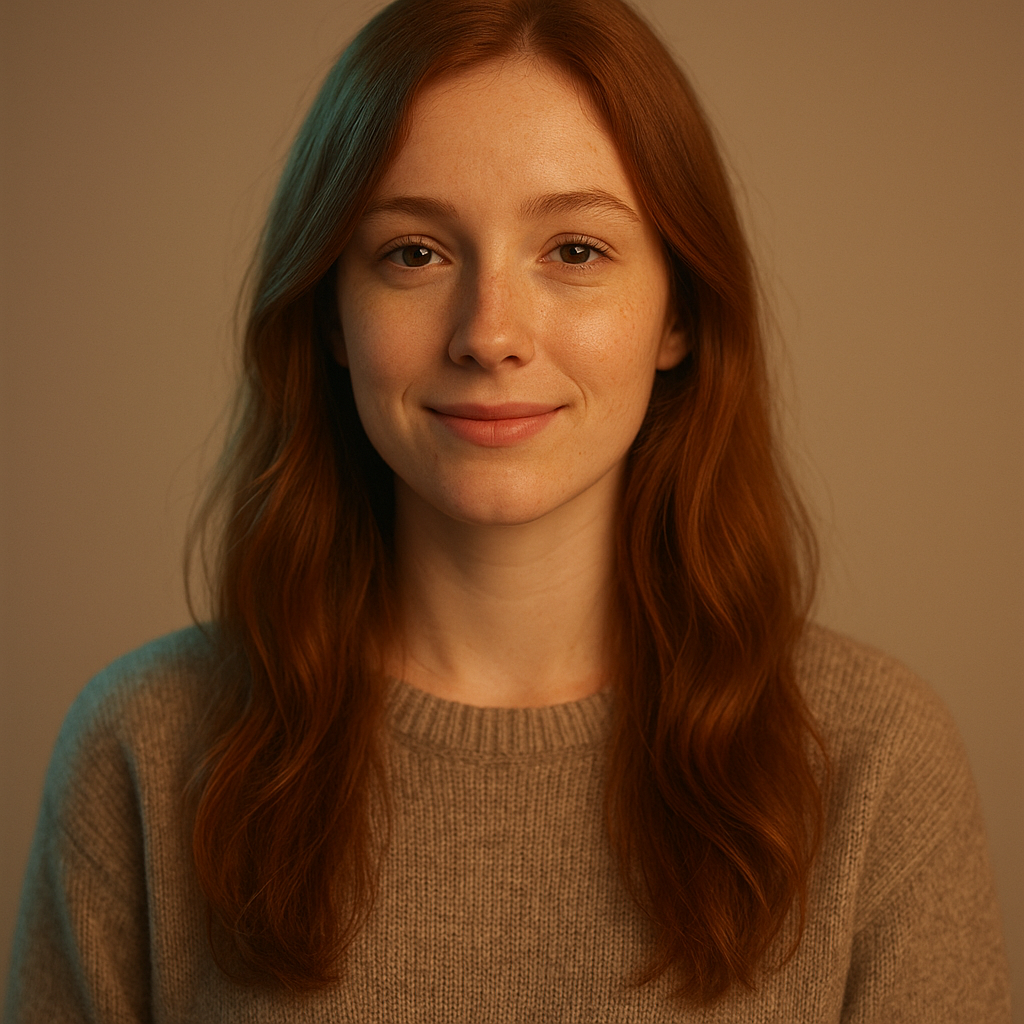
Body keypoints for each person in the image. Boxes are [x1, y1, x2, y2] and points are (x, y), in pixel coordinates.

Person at [3, 0, 1012, 1019]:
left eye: (574, 251)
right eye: (413, 253)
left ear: (679, 315)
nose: (489, 334)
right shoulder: (146, 747)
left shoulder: (871, 763)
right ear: (333, 315)